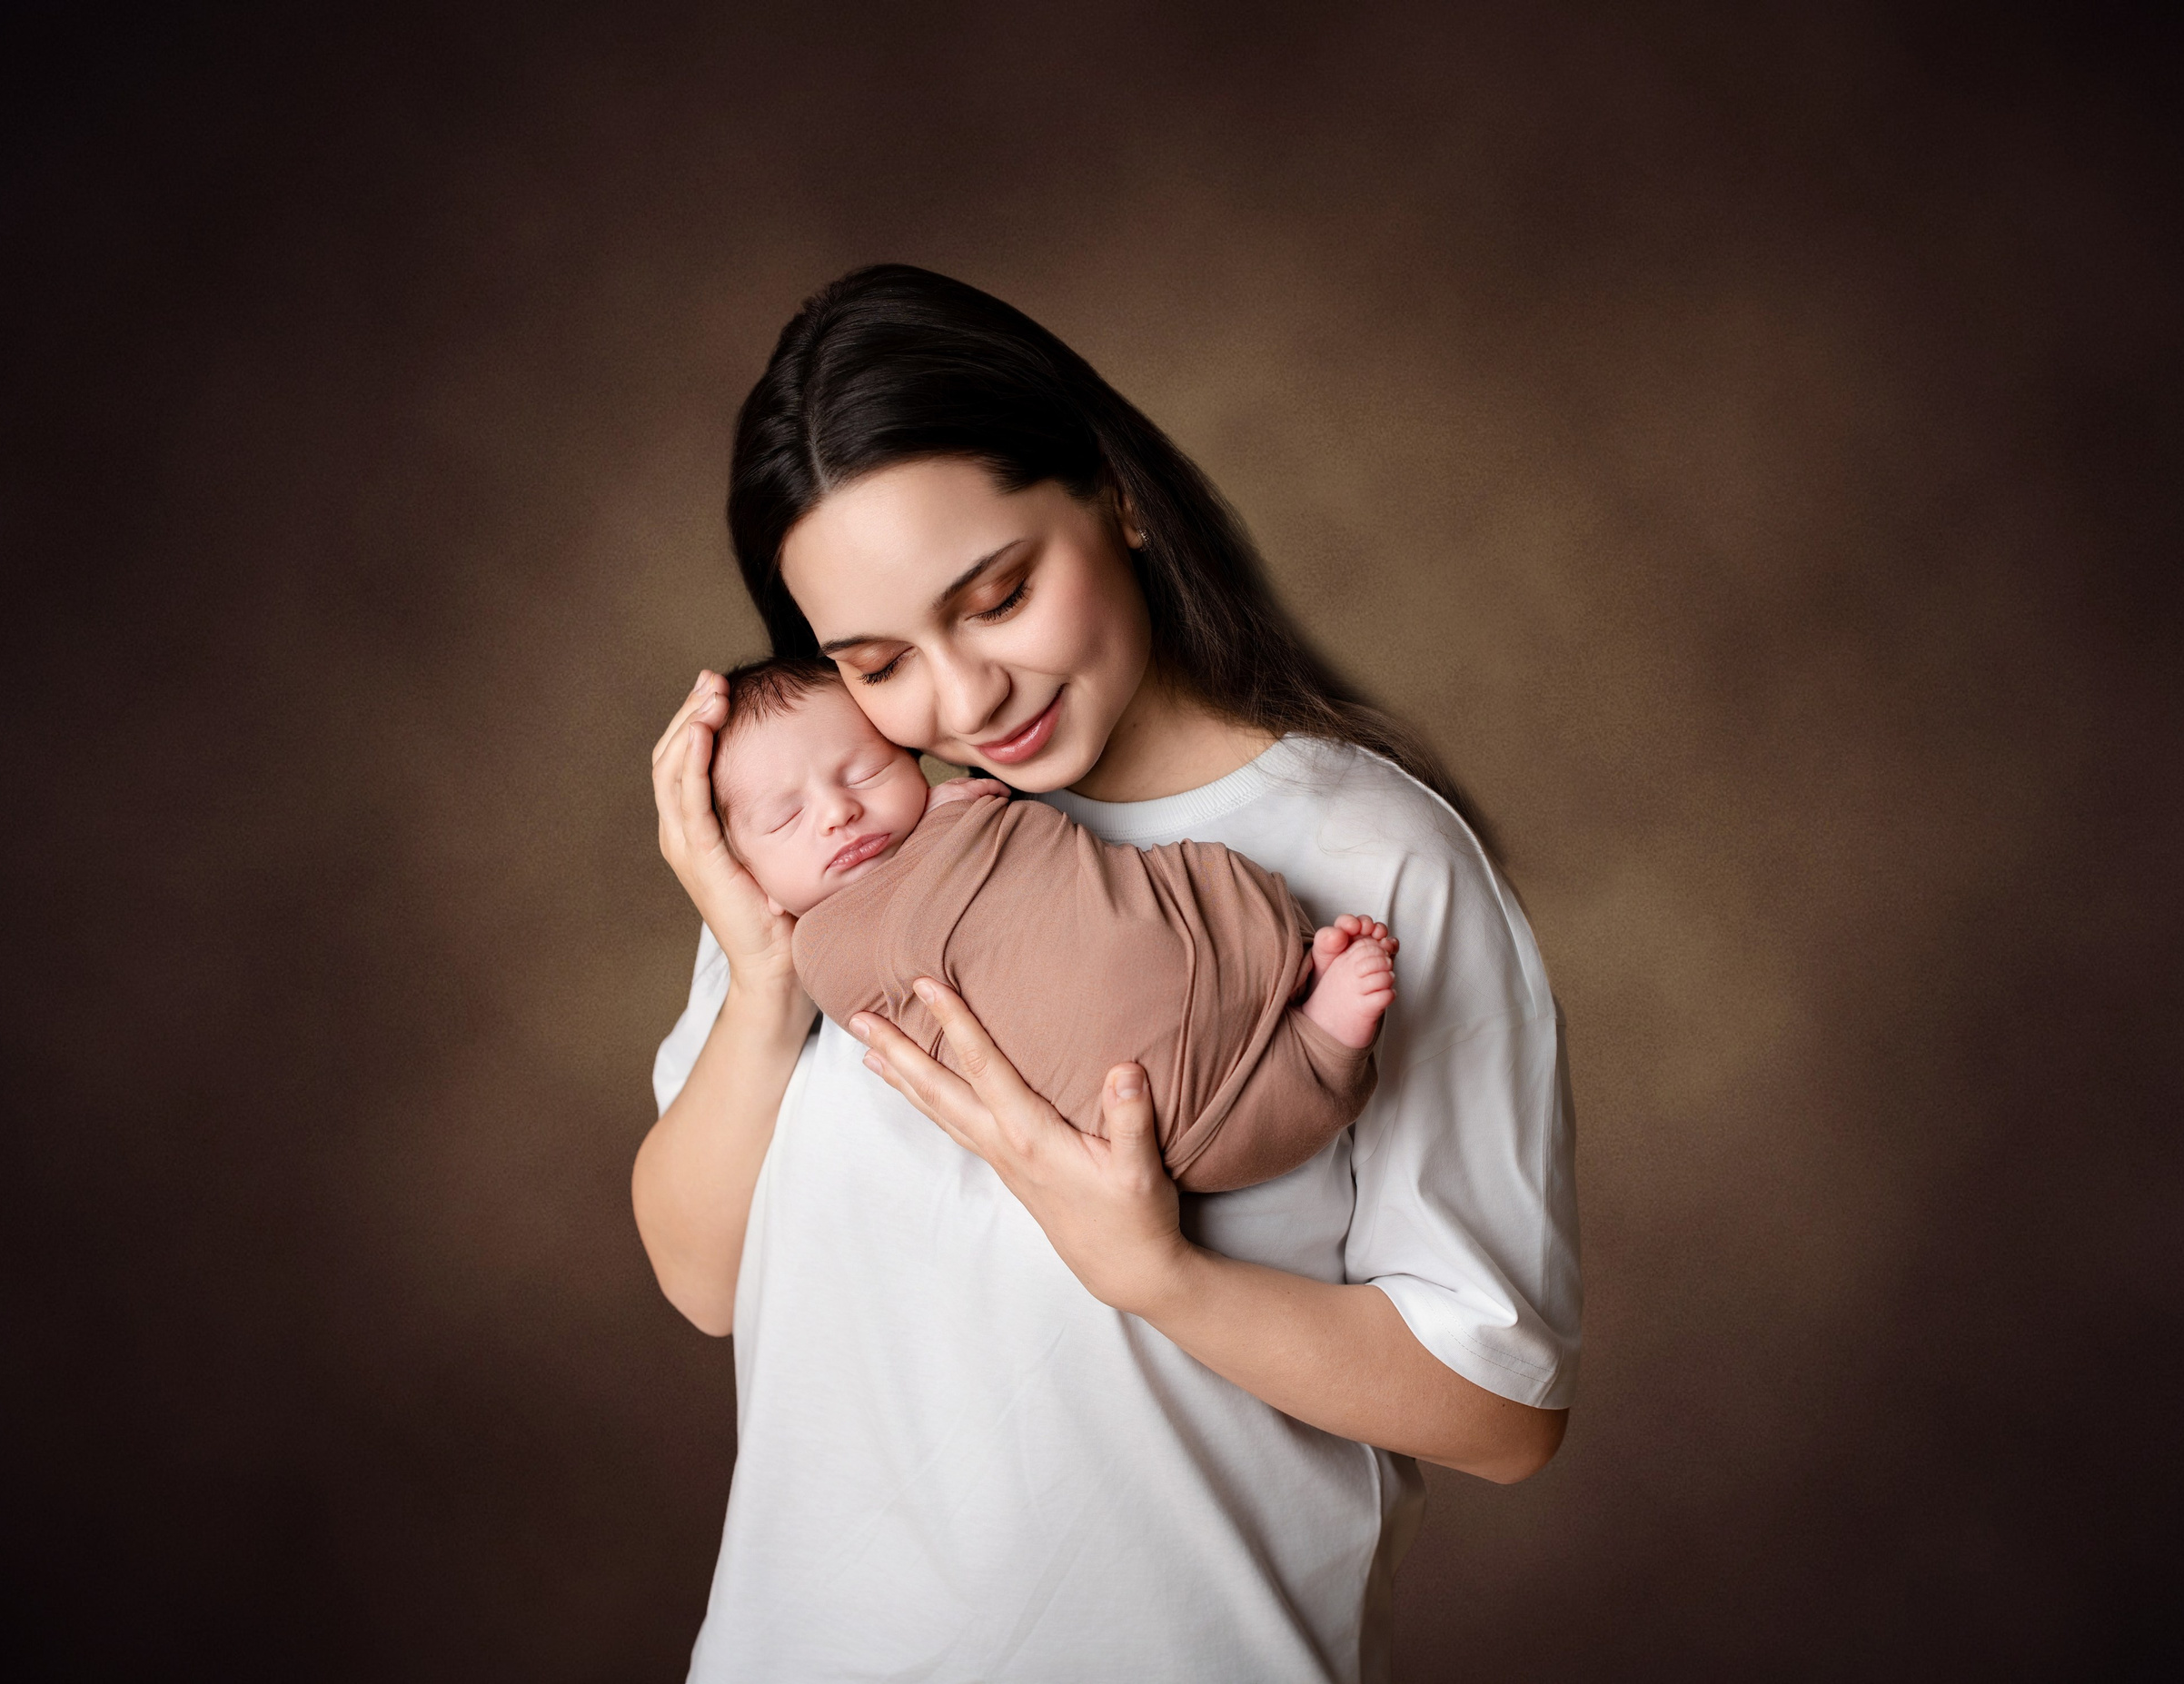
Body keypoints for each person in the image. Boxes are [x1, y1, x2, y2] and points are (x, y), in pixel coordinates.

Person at [636, 264, 1581, 1683]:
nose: (962, 704)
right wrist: (761, 971)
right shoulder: (845, 841)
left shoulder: (1366, 854)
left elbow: (1501, 1412)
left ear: (1117, 497)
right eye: (878, 661)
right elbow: (707, 1279)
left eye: (1000, 596)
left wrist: (1156, 1272)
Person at [706, 654, 1395, 1190]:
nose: (837, 812)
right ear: (747, 876)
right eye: (785, 818)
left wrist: (964, 822)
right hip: (1163, 1127)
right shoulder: (823, 944)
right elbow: (900, 938)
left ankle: (1297, 977)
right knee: (1254, 1124)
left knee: (1207, 884)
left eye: (863, 773)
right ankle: (1321, 1045)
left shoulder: (975, 809)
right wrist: (959, 823)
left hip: (1198, 950)